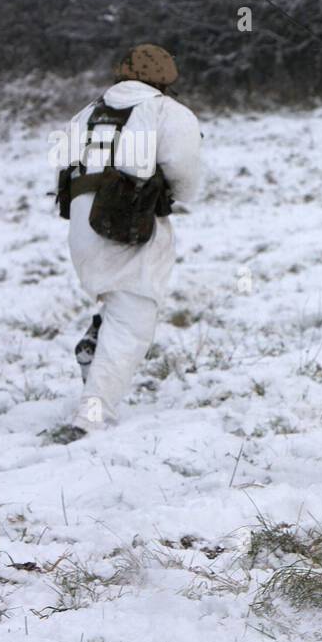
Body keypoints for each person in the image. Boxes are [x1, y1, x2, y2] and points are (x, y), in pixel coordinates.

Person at [46, 44, 202, 443]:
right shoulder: (168, 112)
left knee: (119, 306)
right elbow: (185, 180)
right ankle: (90, 418)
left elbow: (61, 164)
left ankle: (96, 343)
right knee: (133, 322)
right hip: (127, 225)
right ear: (167, 79)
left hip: (82, 226)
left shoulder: (88, 111)